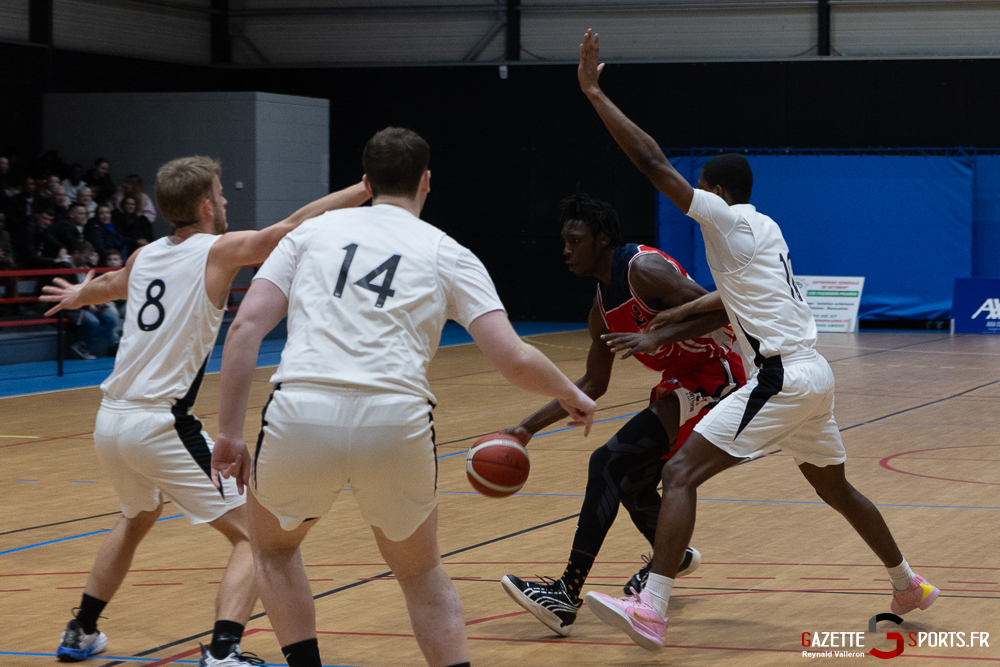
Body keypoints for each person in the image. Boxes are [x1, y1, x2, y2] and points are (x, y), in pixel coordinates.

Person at [574, 30, 940, 651]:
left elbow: (651, 162)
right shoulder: (765, 230)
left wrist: (592, 91)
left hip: (779, 376)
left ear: (714, 193)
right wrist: (663, 325)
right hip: (812, 375)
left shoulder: (725, 216)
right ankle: (908, 585)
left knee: (681, 472)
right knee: (835, 488)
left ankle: (653, 607)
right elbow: (729, 300)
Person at [209, 127, 597, 667]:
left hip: (302, 413)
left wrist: (228, 434)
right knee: (419, 572)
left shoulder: (310, 235)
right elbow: (512, 358)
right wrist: (570, 392)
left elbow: (246, 328)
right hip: (397, 423)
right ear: (426, 181)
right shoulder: (447, 251)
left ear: (365, 181)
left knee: (272, 549)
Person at [41, 155, 370, 665]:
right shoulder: (217, 252)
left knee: (137, 517)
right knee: (258, 537)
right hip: (159, 423)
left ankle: (81, 630)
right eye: (220, 192)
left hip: (110, 421)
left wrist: (78, 295)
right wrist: (363, 189)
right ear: (204, 204)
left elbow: (107, 287)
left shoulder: (145, 255)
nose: (225, 200)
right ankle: (223, 650)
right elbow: (295, 225)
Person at [498, 193, 745, 637]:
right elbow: (593, 386)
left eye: (575, 240)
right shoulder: (600, 310)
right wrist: (524, 429)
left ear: (603, 238)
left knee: (608, 461)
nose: (566, 249)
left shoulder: (644, 270)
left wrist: (657, 337)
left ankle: (565, 595)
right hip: (683, 383)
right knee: (631, 481)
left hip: (721, 374)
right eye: (564, 241)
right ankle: (672, 555)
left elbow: (723, 307)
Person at [61, 240, 120, 360]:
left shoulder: (86, 267)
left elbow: (90, 288)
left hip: (87, 303)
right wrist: (88, 305)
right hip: (72, 305)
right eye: (85, 256)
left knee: (110, 320)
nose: (87, 259)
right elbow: (69, 292)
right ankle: (81, 345)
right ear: (77, 253)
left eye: (89, 257)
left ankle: (107, 345)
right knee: (93, 322)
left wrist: (98, 302)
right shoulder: (64, 266)